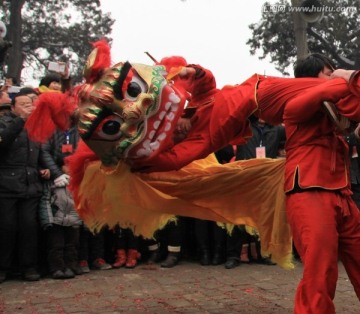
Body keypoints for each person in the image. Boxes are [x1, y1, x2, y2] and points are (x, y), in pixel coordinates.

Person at [282, 53, 360, 313]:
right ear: (310, 77)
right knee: (321, 273)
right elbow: (332, 89)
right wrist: (347, 77)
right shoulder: (295, 105)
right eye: (328, 71)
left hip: (343, 197)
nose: (333, 75)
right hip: (309, 194)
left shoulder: (335, 118)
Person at [0, 91, 48, 283]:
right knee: (7, 228)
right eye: (23, 104)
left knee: (29, 227)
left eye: (31, 103)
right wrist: (20, 120)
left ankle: (29, 267)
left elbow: (40, 152)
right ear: (13, 108)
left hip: (31, 184)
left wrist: (44, 168)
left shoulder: (36, 127)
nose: (29, 107)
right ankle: (3, 267)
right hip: (7, 185)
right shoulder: (4, 123)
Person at [39, 115, 83, 279]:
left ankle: (72, 264)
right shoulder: (49, 130)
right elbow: (44, 152)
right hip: (55, 197)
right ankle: (57, 267)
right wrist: (57, 173)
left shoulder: (80, 129)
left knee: (73, 236)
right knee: (56, 239)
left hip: (75, 191)